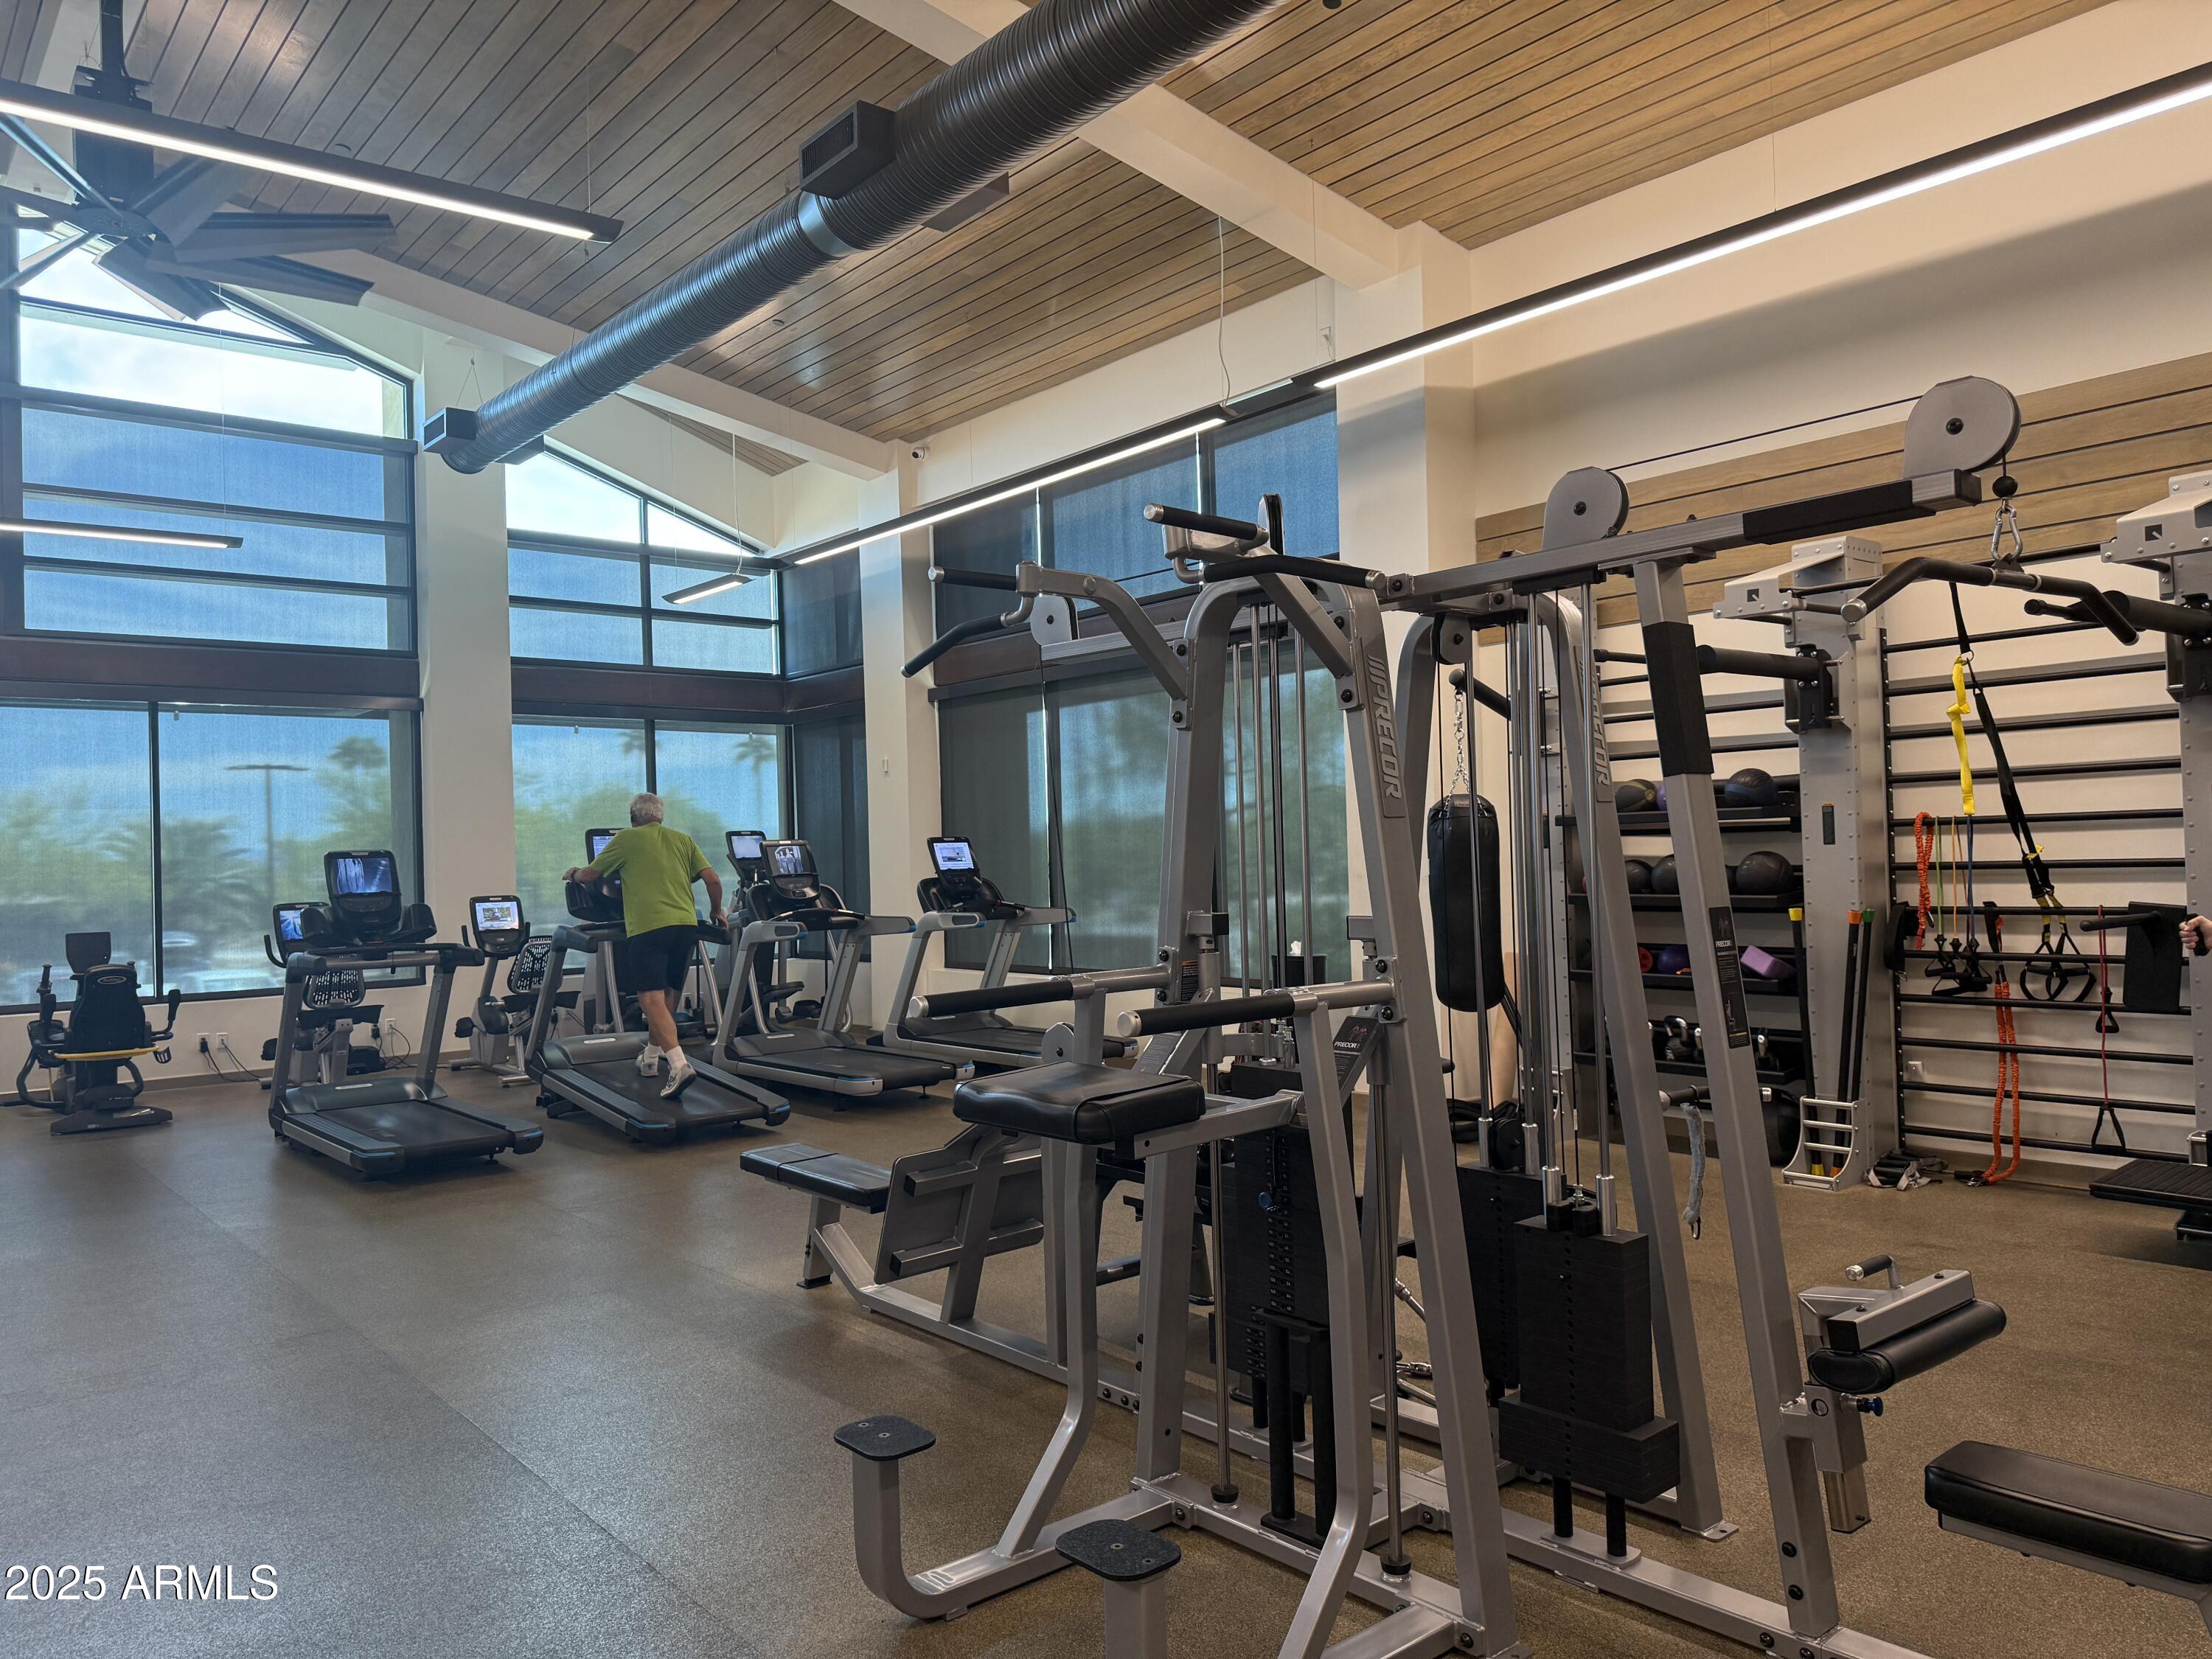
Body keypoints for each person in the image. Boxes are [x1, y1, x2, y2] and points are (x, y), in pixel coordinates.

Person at [565, 793, 723, 1098]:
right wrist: (717, 911)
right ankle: (651, 1057)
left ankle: (679, 1064)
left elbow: (590, 875)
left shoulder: (626, 839)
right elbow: (713, 880)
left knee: (650, 998)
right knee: (667, 995)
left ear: (633, 817)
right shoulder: (683, 840)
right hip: (685, 925)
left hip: (650, 926)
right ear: (661, 817)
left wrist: (572, 873)